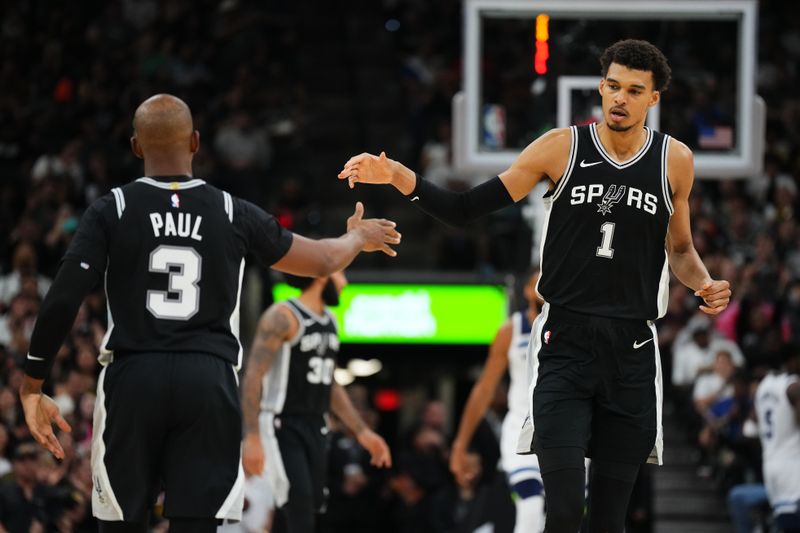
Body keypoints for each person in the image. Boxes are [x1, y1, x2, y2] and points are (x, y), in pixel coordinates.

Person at [338, 39, 732, 532]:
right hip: (565, 343)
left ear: (653, 98)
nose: (619, 99)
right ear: (601, 86)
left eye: (634, 90)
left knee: (610, 521)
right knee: (565, 512)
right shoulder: (560, 147)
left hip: (632, 348)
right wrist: (399, 176)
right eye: (612, 86)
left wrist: (705, 283)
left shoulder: (676, 161)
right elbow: (464, 210)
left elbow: (679, 250)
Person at [18, 94, 401, 533]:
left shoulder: (113, 209)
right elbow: (320, 261)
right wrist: (356, 238)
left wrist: (33, 386)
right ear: (196, 143)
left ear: (136, 147)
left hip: (133, 377)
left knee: (122, 524)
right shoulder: (230, 210)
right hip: (209, 379)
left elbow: (63, 299)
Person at [239, 270, 392, 533]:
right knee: (299, 504)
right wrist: (251, 434)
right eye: (341, 274)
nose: (344, 282)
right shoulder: (282, 316)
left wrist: (362, 432)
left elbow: (329, 383)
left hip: (316, 425)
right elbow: (253, 375)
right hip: (280, 424)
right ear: (322, 275)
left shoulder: (331, 320)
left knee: (306, 508)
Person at [450, 268, 545, 533]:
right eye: (537, 281)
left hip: (567, 434)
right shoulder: (511, 330)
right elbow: (484, 389)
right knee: (531, 506)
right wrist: (460, 444)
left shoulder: (574, 327)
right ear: (526, 290)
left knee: (566, 514)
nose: (544, 287)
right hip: (521, 432)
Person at [754, 345, 800, 531]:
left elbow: (750, 425)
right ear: (791, 360)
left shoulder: (763, 386)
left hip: (770, 465)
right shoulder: (793, 385)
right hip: (792, 465)